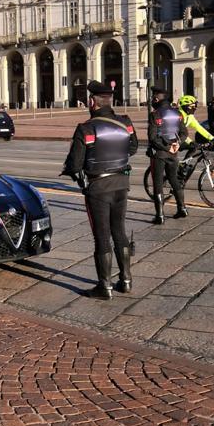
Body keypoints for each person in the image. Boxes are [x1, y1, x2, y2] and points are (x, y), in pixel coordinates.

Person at [62, 80, 138, 299]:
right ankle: (126, 280)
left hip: (98, 188)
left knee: (102, 236)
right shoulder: (126, 122)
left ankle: (104, 287)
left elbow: (75, 165)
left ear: (91, 102)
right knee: (120, 231)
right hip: (121, 184)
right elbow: (132, 147)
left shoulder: (86, 128)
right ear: (109, 100)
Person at [147, 85, 187, 225]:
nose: (152, 99)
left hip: (160, 154)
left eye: (153, 97)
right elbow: (184, 132)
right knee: (174, 179)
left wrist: (167, 147)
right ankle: (182, 208)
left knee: (158, 184)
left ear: (157, 98)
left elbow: (152, 137)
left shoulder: (155, 114)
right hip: (174, 153)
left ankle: (160, 216)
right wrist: (177, 144)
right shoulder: (178, 113)